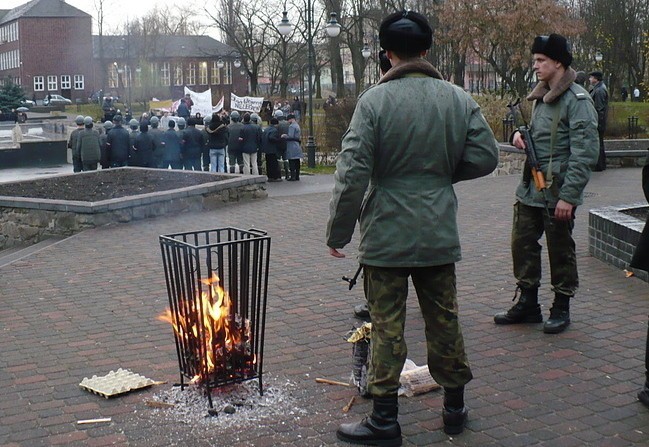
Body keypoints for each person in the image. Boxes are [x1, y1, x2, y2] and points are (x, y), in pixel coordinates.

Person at [326, 11, 499, 444]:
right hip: (438, 228)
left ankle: (385, 419)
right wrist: (441, 176)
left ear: (386, 54)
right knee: (444, 318)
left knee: (386, 323)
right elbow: (486, 157)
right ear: (426, 50)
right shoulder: (457, 98)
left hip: (386, 231)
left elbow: (352, 173)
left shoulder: (373, 102)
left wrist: (338, 233)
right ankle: (454, 408)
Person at [493, 34, 599, 335]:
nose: (535, 66)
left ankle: (561, 305)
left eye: (541, 61)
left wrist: (569, 196)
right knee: (522, 243)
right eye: (535, 60)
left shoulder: (577, 100)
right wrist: (521, 139)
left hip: (557, 191)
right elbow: (540, 140)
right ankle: (528, 303)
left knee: (560, 249)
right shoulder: (542, 96)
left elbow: (585, 151)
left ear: (558, 62)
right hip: (531, 187)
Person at [589, 71, 608, 171]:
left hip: (598, 121)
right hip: (599, 121)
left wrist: (597, 122)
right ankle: (601, 164)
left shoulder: (599, 90)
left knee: (598, 143)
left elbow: (599, 108)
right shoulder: (599, 88)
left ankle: (599, 165)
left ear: (596, 79)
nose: (590, 79)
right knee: (599, 143)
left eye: (591, 77)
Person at [282, 113, 302, 181]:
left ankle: (293, 176)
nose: (288, 121)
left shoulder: (291, 126)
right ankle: (297, 176)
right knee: (297, 161)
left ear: (291, 119)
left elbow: (290, 136)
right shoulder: (297, 125)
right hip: (297, 145)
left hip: (292, 145)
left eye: (288, 120)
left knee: (292, 161)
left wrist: (284, 136)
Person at [261, 117, 282, 181]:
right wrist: (279, 140)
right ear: (276, 124)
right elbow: (271, 138)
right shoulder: (274, 130)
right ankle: (275, 177)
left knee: (268, 163)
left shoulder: (267, 129)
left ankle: (270, 176)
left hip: (266, 149)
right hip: (272, 149)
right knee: (274, 163)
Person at [275, 110, 291, 180]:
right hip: (287, 143)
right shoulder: (288, 123)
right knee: (286, 159)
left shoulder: (277, 125)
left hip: (279, 144)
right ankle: (287, 174)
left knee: (278, 159)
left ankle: (279, 175)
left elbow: (275, 134)